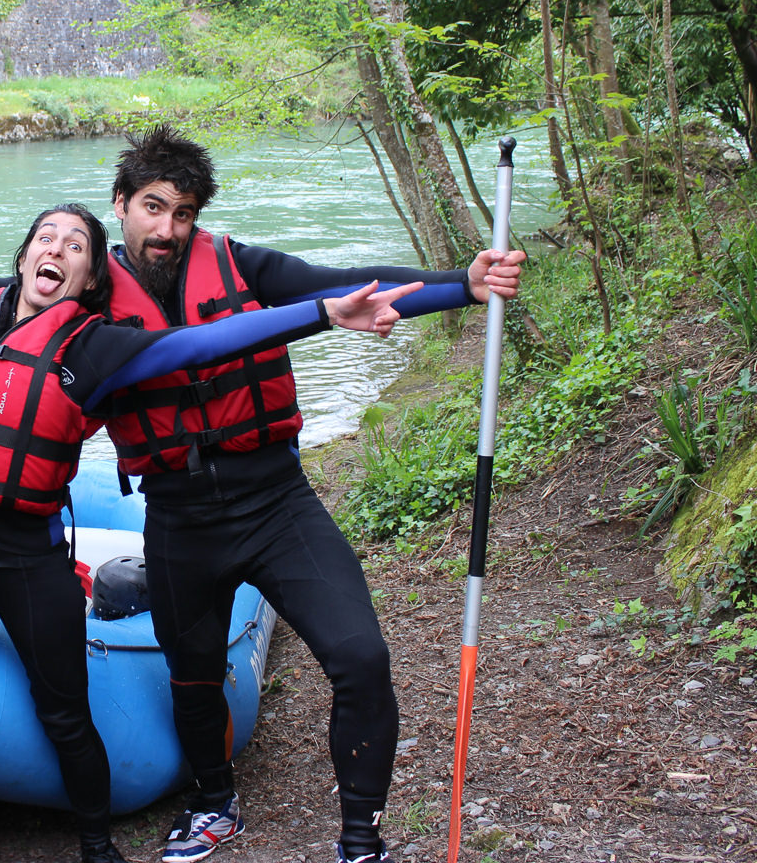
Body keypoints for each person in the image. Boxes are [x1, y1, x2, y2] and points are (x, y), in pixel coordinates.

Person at [0, 72, 422, 863]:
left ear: (90, 274)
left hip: (224, 509)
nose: (57, 248)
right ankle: (203, 808)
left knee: (350, 660)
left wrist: (354, 308)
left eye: (75, 244)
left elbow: (201, 342)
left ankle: (333, 839)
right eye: (46, 238)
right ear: (25, 253)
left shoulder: (95, 342)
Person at [99, 125, 526, 863]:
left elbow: (345, 284)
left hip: (274, 500)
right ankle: (213, 805)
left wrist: (465, 283)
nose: (167, 229)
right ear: (122, 206)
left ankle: (361, 840)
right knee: (191, 671)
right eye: (153, 208)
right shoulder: (90, 294)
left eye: (184, 213)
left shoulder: (239, 264)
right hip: (178, 513)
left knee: (360, 656)